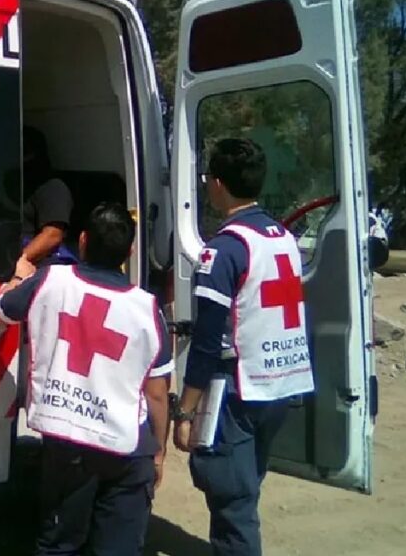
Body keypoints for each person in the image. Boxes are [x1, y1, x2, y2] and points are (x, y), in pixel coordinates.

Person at [0, 203, 173, 556]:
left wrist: (19, 277)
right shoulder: (147, 308)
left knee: (59, 544)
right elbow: (158, 393)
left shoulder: (51, 281)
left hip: (68, 443)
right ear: (130, 251)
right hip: (127, 449)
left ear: (83, 241)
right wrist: (158, 453)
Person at [172, 138, 315, 556]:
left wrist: (186, 410)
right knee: (246, 486)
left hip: (239, 389)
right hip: (283, 385)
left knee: (232, 505)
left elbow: (206, 342)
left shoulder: (224, 250)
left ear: (217, 184)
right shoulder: (283, 237)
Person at [19, 126, 77, 266]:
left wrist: (17, 264)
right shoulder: (17, 186)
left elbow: (52, 236)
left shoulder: (52, 187)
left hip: (37, 269)